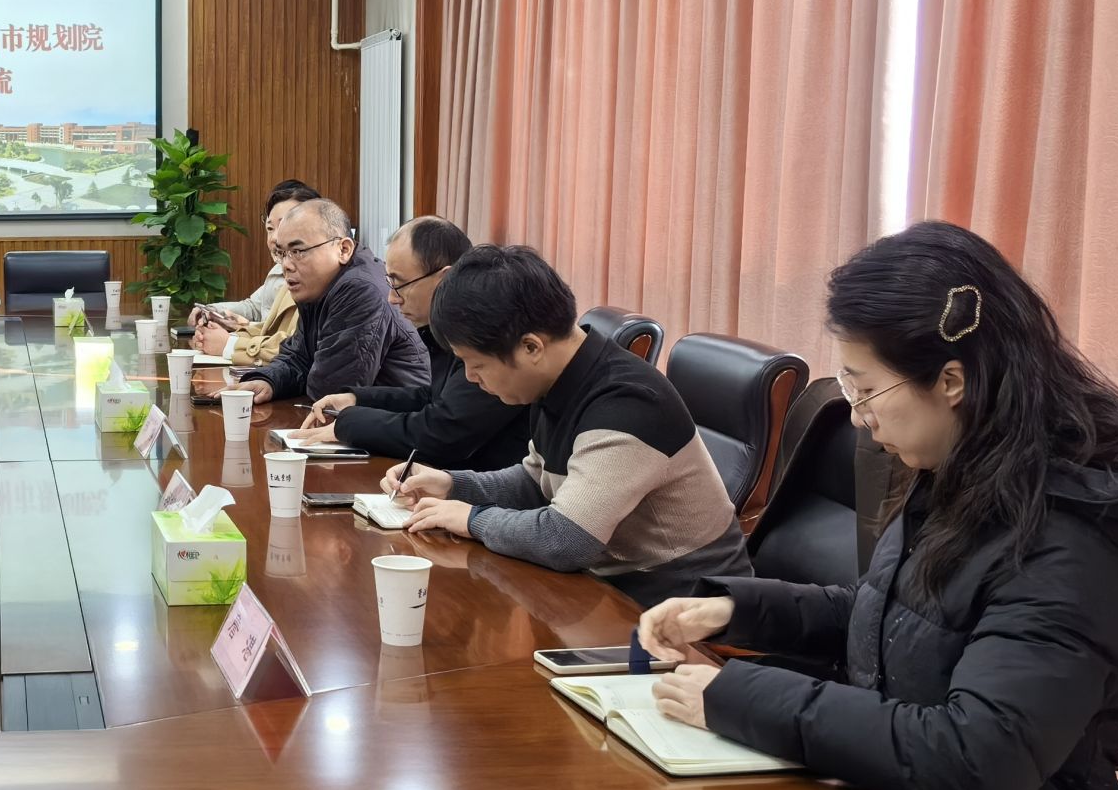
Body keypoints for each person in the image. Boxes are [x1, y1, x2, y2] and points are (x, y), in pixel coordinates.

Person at [636, 221, 1118, 790]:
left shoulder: (1066, 547)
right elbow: (899, 616)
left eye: (866, 390)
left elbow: (978, 760)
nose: (857, 416)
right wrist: (737, 610)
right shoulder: (965, 473)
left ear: (950, 381)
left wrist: (740, 699)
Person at [382, 245, 750, 605]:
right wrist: (452, 485)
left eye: (476, 364)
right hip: (611, 585)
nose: (470, 377)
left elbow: (567, 539)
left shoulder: (628, 405)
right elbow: (535, 482)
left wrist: (473, 519)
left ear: (531, 347)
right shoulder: (561, 381)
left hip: (683, 602)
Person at [296, 216, 528, 469]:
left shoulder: (490, 330)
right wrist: (357, 399)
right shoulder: (452, 326)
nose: (392, 298)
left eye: (399, 284)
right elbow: (434, 397)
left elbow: (443, 432)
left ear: (444, 279)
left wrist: (350, 423)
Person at [234, 200, 430, 403]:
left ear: (344, 249)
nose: (286, 265)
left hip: (402, 418)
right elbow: (298, 357)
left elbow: (331, 390)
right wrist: (268, 381)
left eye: (298, 251)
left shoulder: (360, 290)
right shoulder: (319, 285)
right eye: (282, 253)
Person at [189, 188, 317, 366]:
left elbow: (297, 348)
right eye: (270, 228)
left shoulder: (328, 281)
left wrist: (229, 344)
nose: (275, 238)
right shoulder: (283, 270)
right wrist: (215, 319)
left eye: (286, 226)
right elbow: (260, 317)